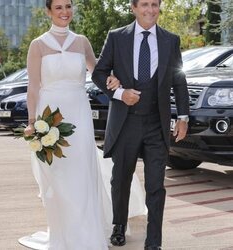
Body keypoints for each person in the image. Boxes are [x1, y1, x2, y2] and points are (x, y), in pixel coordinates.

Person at [18, 0, 145, 249]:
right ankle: (64, 233)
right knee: (58, 175)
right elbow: (33, 86)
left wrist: (115, 81)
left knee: (82, 171)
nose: (65, 12)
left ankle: (87, 232)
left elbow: (97, 73)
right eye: (58, 8)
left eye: (68, 6)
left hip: (79, 113)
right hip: (50, 115)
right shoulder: (38, 45)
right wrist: (32, 122)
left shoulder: (82, 42)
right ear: (48, 11)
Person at [92, 0, 190, 249]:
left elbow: (179, 80)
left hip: (157, 124)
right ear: (133, 8)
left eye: (155, 4)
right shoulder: (116, 37)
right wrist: (120, 93)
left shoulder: (171, 40)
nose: (150, 9)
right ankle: (119, 226)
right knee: (121, 179)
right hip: (126, 123)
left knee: (156, 185)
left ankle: (154, 241)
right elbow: (99, 73)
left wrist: (183, 117)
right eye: (144, 4)